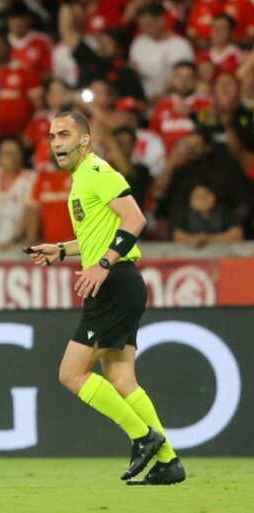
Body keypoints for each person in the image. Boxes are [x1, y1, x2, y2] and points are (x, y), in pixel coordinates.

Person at [25, 111, 185, 486]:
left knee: (71, 374)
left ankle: (143, 436)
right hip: (122, 283)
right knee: (121, 377)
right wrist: (61, 250)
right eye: (52, 136)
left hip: (113, 284)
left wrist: (102, 264)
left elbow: (135, 219)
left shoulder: (98, 172)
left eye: (65, 134)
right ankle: (168, 462)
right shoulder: (82, 178)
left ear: (85, 139)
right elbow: (97, 236)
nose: (56, 142)